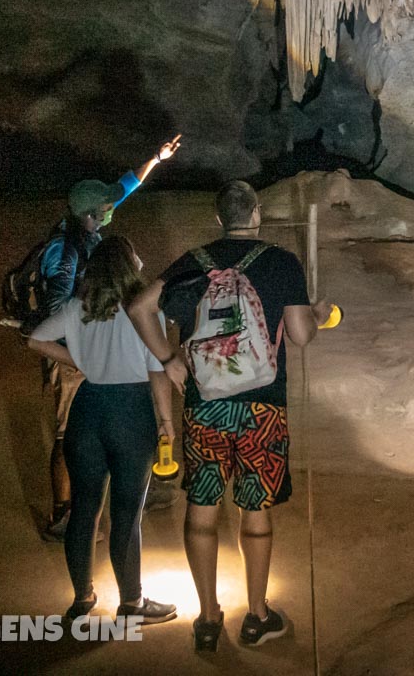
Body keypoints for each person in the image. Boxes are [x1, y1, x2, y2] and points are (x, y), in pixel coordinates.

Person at [128, 180, 332, 652]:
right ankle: (258, 616)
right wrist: (317, 313)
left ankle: (207, 617)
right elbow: (300, 336)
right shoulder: (281, 262)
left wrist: (168, 358)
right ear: (256, 213)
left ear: (220, 218)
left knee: (201, 510)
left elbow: (140, 306)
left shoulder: (195, 261)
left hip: (205, 407)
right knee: (255, 512)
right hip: (263, 407)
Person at [37, 135, 182, 541]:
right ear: (88, 215)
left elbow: (124, 186)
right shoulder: (64, 252)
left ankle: (125, 486)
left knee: (100, 424)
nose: (110, 209)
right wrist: (78, 356)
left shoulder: (87, 228)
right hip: (72, 352)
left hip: (89, 346)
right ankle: (64, 513)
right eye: (103, 208)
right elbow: (55, 313)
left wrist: (155, 158)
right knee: (68, 431)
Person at [26, 236, 177, 623]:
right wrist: (166, 422)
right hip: (131, 412)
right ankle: (131, 603)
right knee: (126, 515)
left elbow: (35, 340)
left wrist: (79, 358)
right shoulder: (144, 311)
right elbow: (158, 371)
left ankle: (81, 599)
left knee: (84, 511)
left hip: (88, 410)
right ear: (129, 264)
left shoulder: (79, 307)